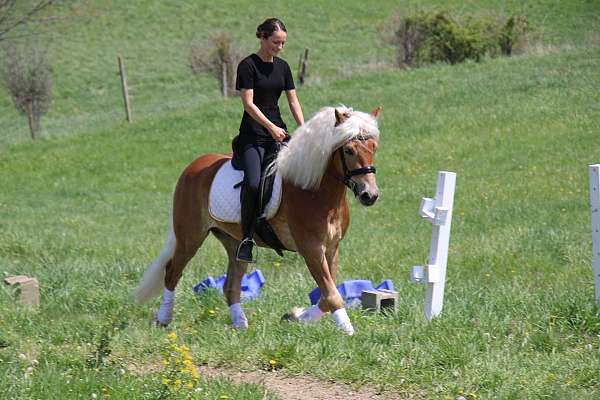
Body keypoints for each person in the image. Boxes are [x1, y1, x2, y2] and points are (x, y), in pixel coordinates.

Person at [233, 18, 304, 263]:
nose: (280, 48)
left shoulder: (283, 67)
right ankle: (247, 238)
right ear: (262, 37)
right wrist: (271, 127)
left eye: (283, 43)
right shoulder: (247, 66)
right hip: (253, 136)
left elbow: (293, 101)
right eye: (276, 42)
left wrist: (303, 129)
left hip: (278, 133)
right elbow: (249, 104)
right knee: (253, 184)